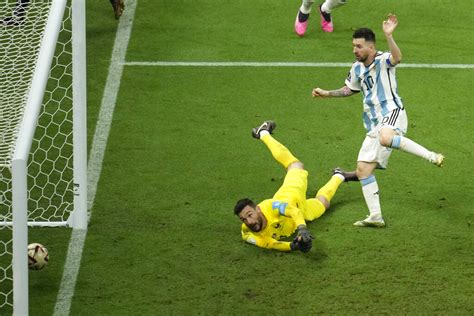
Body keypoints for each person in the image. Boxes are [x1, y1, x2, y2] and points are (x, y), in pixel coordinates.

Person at [311, 14, 444, 228]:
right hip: (374, 123)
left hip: (392, 112)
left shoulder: (383, 60)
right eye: (354, 46)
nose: (355, 50)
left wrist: (389, 36)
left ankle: (431, 155)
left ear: (371, 48)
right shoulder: (356, 68)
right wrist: (327, 93)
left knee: (385, 137)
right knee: (363, 169)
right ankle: (376, 217)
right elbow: (349, 89)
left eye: (359, 46)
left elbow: (397, 58)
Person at [234, 120, 348, 252]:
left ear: (258, 209)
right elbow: (268, 243)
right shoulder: (247, 233)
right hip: (302, 213)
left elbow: (293, 211)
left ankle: (263, 133)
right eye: (243, 219)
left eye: (250, 215)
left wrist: (302, 228)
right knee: (323, 203)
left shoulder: (271, 207)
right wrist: (293, 246)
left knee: (295, 165)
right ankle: (339, 176)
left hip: (292, 194)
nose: (249, 221)